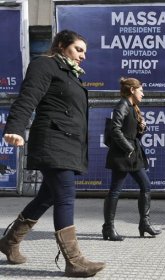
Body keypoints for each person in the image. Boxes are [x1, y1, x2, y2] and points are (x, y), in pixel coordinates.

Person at [0, 30, 105, 277]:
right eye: (78, 49)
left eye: (85, 52)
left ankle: (9, 241)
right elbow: (28, 97)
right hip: (53, 141)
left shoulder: (70, 74)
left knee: (46, 197)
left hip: (67, 144)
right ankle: (74, 261)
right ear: (61, 46)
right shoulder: (45, 65)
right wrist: (14, 127)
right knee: (65, 195)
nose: (83, 56)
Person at [103, 77, 161, 240]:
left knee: (146, 185)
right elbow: (115, 130)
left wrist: (141, 129)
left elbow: (131, 134)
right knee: (115, 191)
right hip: (123, 155)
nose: (143, 93)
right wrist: (128, 148)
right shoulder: (122, 105)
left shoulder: (133, 107)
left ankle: (144, 224)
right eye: (141, 90)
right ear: (132, 90)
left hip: (132, 154)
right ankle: (108, 228)